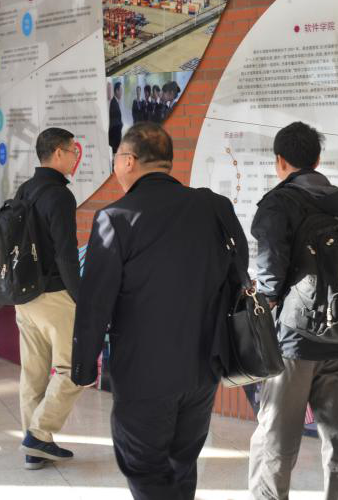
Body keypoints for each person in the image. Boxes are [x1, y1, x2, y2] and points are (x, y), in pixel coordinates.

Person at [72, 123, 243, 499]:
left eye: (117, 158)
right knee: (182, 462)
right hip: (203, 366)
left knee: (145, 468)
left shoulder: (116, 217)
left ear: (129, 161)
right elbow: (239, 275)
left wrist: (83, 366)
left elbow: (95, 302)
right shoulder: (214, 207)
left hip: (143, 372)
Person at [247, 122, 338, 500]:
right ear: (316, 160)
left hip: (295, 340)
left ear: (280, 161)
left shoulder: (279, 203)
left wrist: (274, 302)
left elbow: (270, 269)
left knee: (277, 436)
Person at [13, 128, 84, 470]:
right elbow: (66, 255)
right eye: (72, 151)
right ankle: (39, 435)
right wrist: (81, 298)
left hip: (24, 296)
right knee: (74, 369)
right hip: (55, 296)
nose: (75, 157)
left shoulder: (25, 190)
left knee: (34, 373)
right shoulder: (60, 196)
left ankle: (34, 449)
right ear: (58, 153)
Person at [109, 81, 124, 154]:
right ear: (117, 91)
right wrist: (121, 124)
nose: (122, 93)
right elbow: (114, 123)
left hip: (116, 140)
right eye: (121, 90)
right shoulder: (113, 103)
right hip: (115, 141)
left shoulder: (116, 102)